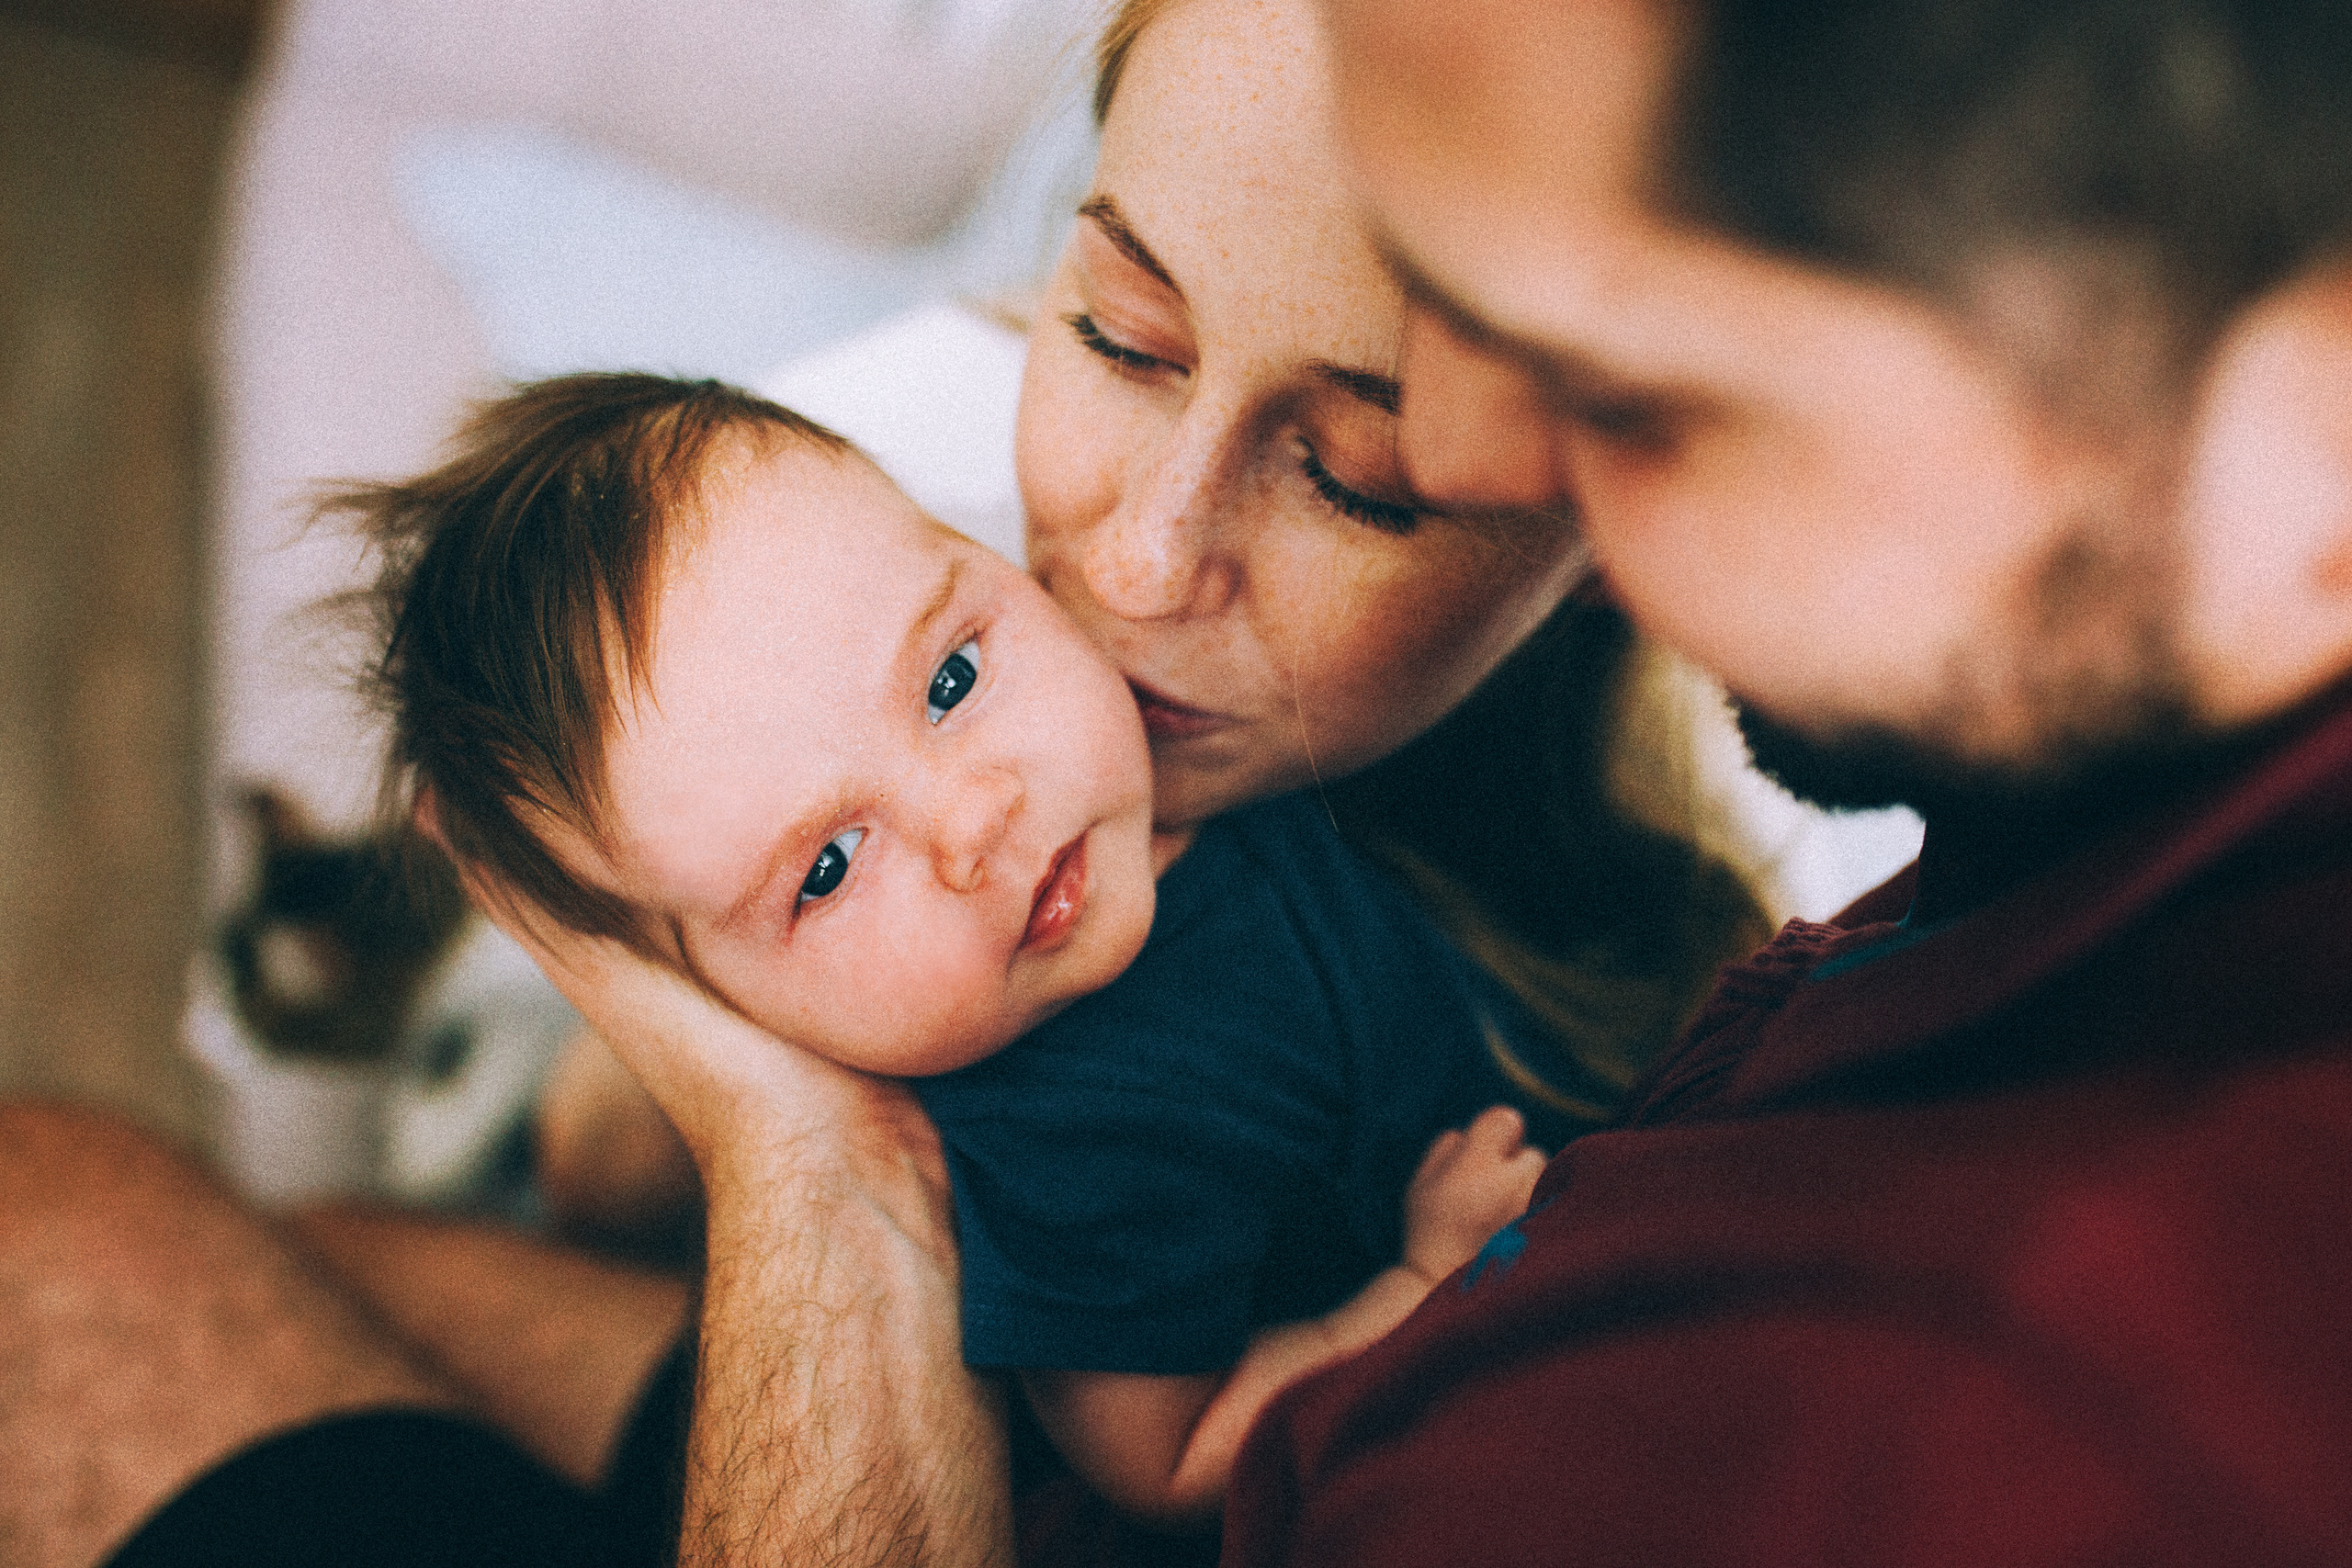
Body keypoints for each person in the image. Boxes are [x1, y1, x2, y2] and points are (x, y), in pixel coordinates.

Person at [0, 1, 1772, 1563]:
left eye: (1364, 477)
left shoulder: (1724, 917)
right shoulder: (1052, 1065)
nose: (1137, 573)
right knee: (295, 1239)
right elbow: (1159, 1458)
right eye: (1123, 336)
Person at [348, 367, 1555, 1526]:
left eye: (953, 677)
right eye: (826, 867)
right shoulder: (1061, 1147)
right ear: (727, 1013)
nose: (974, 821)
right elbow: (1171, 1464)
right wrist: (1412, 1293)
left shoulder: (1182, 740)